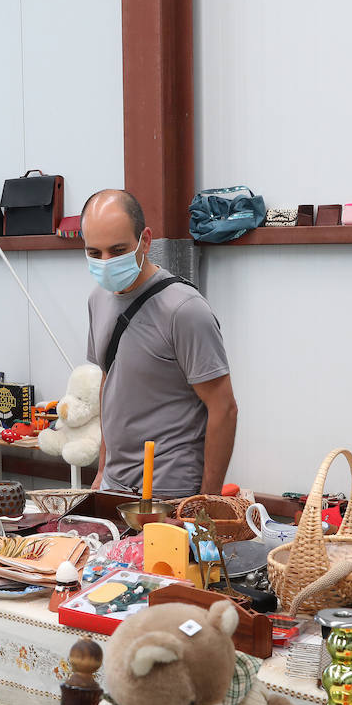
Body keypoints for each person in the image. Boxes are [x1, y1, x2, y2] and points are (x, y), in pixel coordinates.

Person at [82, 189, 237, 498]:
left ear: (146, 240)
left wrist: (205, 501)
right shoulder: (97, 300)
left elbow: (224, 408)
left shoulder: (185, 310)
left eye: (118, 249)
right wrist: (101, 469)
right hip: (114, 484)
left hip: (170, 489)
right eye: (95, 253)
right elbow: (108, 383)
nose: (106, 262)